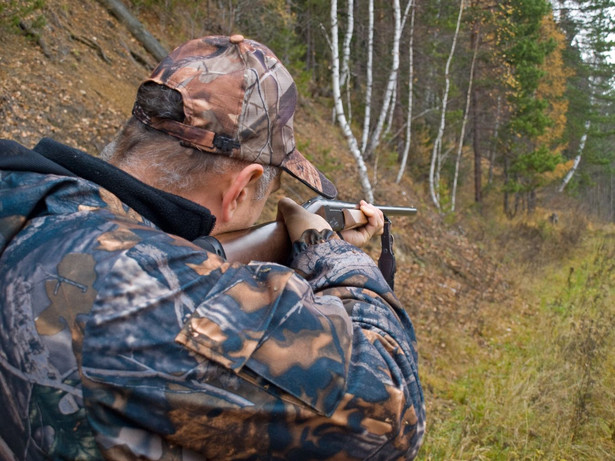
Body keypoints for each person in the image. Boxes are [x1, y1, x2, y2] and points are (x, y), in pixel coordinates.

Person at [0, 35, 425, 460]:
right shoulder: (149, 283)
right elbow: (393, 417)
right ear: (239, 189)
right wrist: (333, 255)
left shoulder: (25, 193)